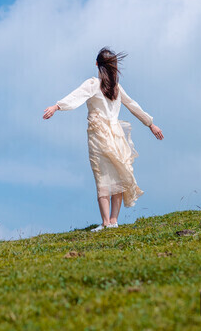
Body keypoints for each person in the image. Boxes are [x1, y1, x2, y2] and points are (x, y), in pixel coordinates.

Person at [42, 47, 164, 231]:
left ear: (97, 64)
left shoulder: (94, 84)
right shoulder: (116, 88)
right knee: (119, 174)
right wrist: (150, 124)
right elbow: (133, 106)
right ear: (114, 66)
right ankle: (113, 221)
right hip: (116, 135)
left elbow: (76, 96)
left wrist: (57, 106)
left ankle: (107, 222)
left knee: (103, 176)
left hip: (99, 134)